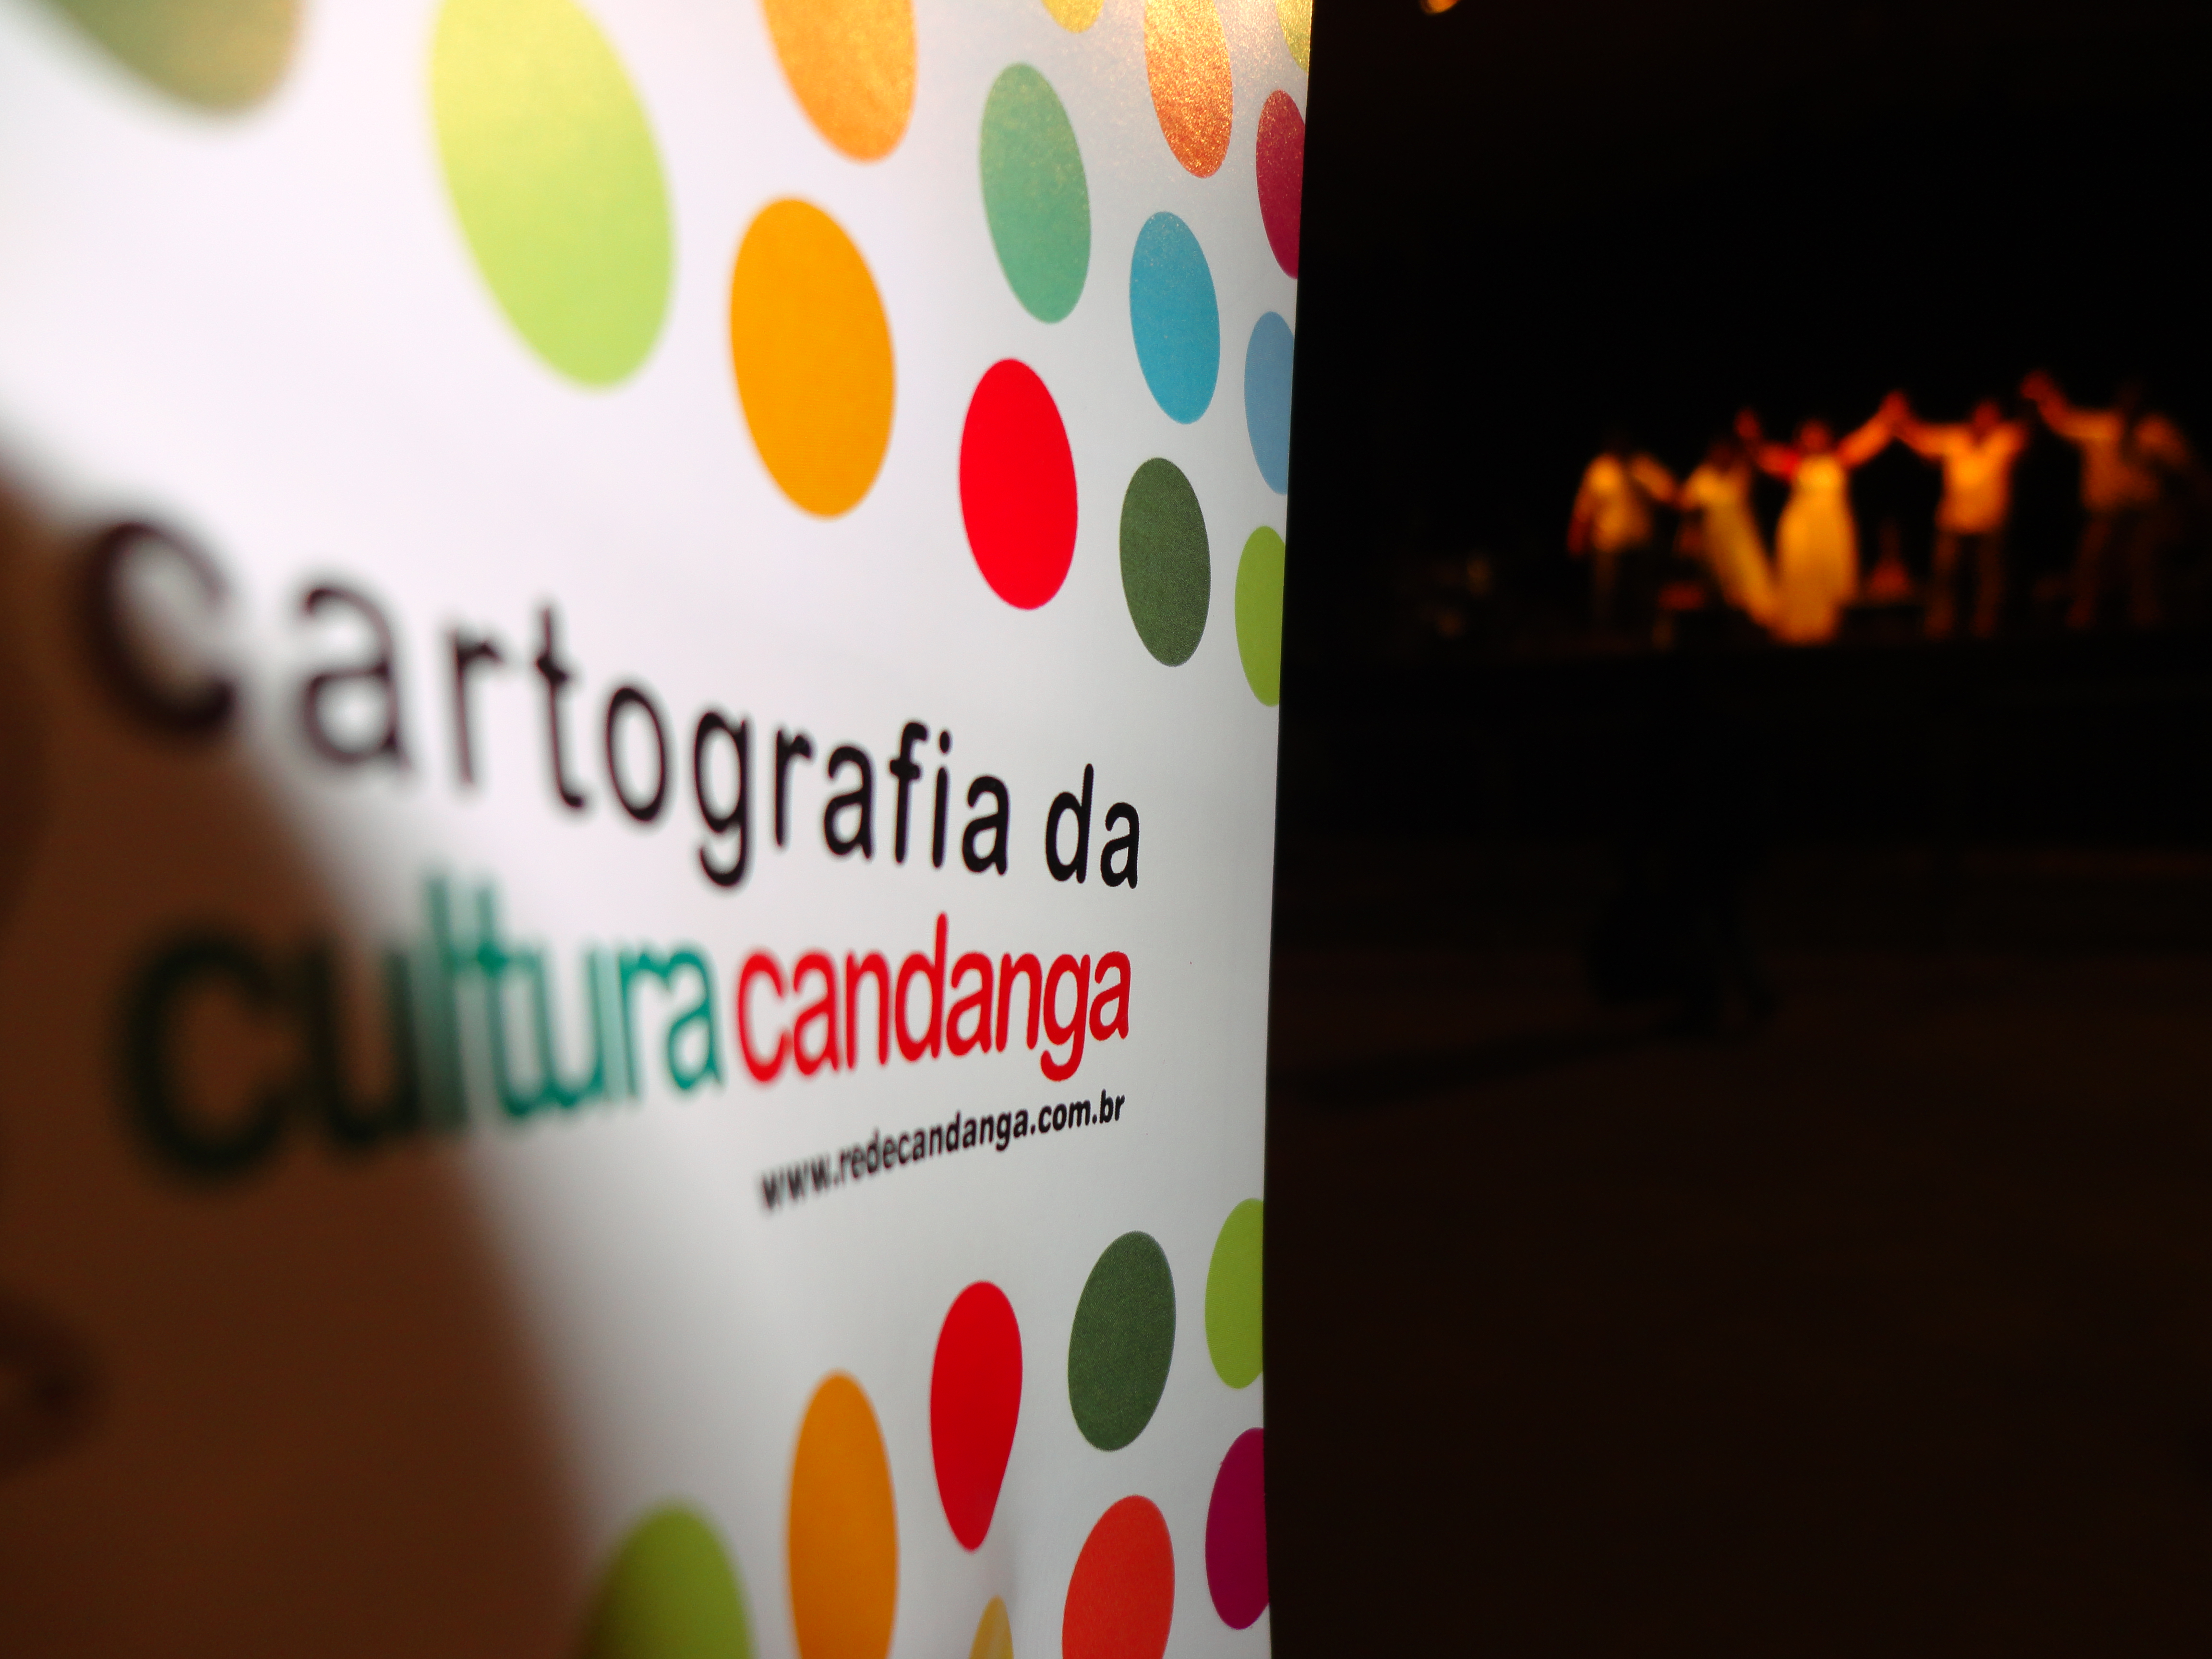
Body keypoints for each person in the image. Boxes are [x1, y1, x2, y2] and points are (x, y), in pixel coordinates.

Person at [2021, 372, 2196, 629]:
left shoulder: (2157, 431)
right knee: (2092, 564)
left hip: (2143, 517)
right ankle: (2084, 616)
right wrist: (2046, 393)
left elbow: (2186, 467)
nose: (2130, 404)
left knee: (2144, 568)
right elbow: (2062, 420)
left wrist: (2180, 508)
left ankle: (2148, 621)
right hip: (2105, 516)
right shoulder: (2102, 427)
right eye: (2126, 399)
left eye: (2136, 400)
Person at [1737, 398, 1899, 644]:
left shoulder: (1841, 458)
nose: (1814, 439)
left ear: (1828, 436)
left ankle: (1831, 631)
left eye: (1818, 434)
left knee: (1831, 576)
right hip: (1802, 531)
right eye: (1808, 434)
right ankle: (1799, 631)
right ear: (1801, 438)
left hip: (1832, 531)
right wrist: (1751, 436)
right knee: (1802, 577)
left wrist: (1887, 416)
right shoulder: (1795, 463)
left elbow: (1870, 438)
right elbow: (1761, 455)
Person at [1890, 394, 2030, 638]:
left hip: (1990, 523)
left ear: (1998, 420)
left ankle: (1987, 623)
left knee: (1990, 578)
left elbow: (2030, 427)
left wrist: (2035, 398)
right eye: (1981, 415)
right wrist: (1900, 419)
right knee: (1945, 576)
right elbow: (1922, 439)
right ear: (1972, 418)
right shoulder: (1955, 439)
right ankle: (1941, 622)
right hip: (1954, 522)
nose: (1985, 421)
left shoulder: (2005, 439)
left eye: (1992, 417)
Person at [1567, 430, 1678, 637]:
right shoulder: (1599, 470)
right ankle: (1605, 638)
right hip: (1608, 544)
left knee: (1642, 594)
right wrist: (1577, 538)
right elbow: (1584, 509)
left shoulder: (1643, 465)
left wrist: (1649, 486)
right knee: (1607, 594)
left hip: (1640, 544)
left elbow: (1671, 494)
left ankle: (1642, 637)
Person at [1675, 432, 1777, 627]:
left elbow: (1755, 457)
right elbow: (1688, 508)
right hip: (1715, 541)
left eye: (1726, 451)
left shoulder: (1740, 473)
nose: (1721, 456)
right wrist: (1689, 541)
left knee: (1750, 578)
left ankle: (1760, 622)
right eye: (1717, 452)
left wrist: (1748, 434)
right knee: (1721, 584)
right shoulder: (1702, 477)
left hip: (1741, 539)